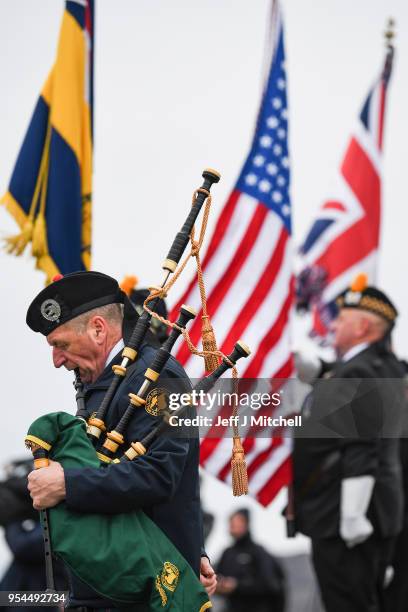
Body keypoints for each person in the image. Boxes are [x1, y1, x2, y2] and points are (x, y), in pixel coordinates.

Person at [25, 271, 216, 609]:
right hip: (107, 589)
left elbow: (162, 474)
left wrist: (66, 483)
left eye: (61, 345)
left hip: (144, 593)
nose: (56, 361)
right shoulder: (101, 382)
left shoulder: (159, 377)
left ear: (99, 329)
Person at [292, 275, 405, 612]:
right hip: (371, 511)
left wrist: (352, 514)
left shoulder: (360, 372)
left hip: (344, 514)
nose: (334, 326)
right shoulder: (383, 367)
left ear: (362, 328)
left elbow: (362, 443)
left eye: (341, 320)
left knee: (347, 603)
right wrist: (323, 369)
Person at [216, 508, 285, 612]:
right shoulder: (227, 553)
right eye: (231, 522)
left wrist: (237, 585)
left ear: (246, 524)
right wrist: (219, 585)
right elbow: (217, 579)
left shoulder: (258, 552)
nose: (233, 525)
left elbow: (270, 584)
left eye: (238, 521)